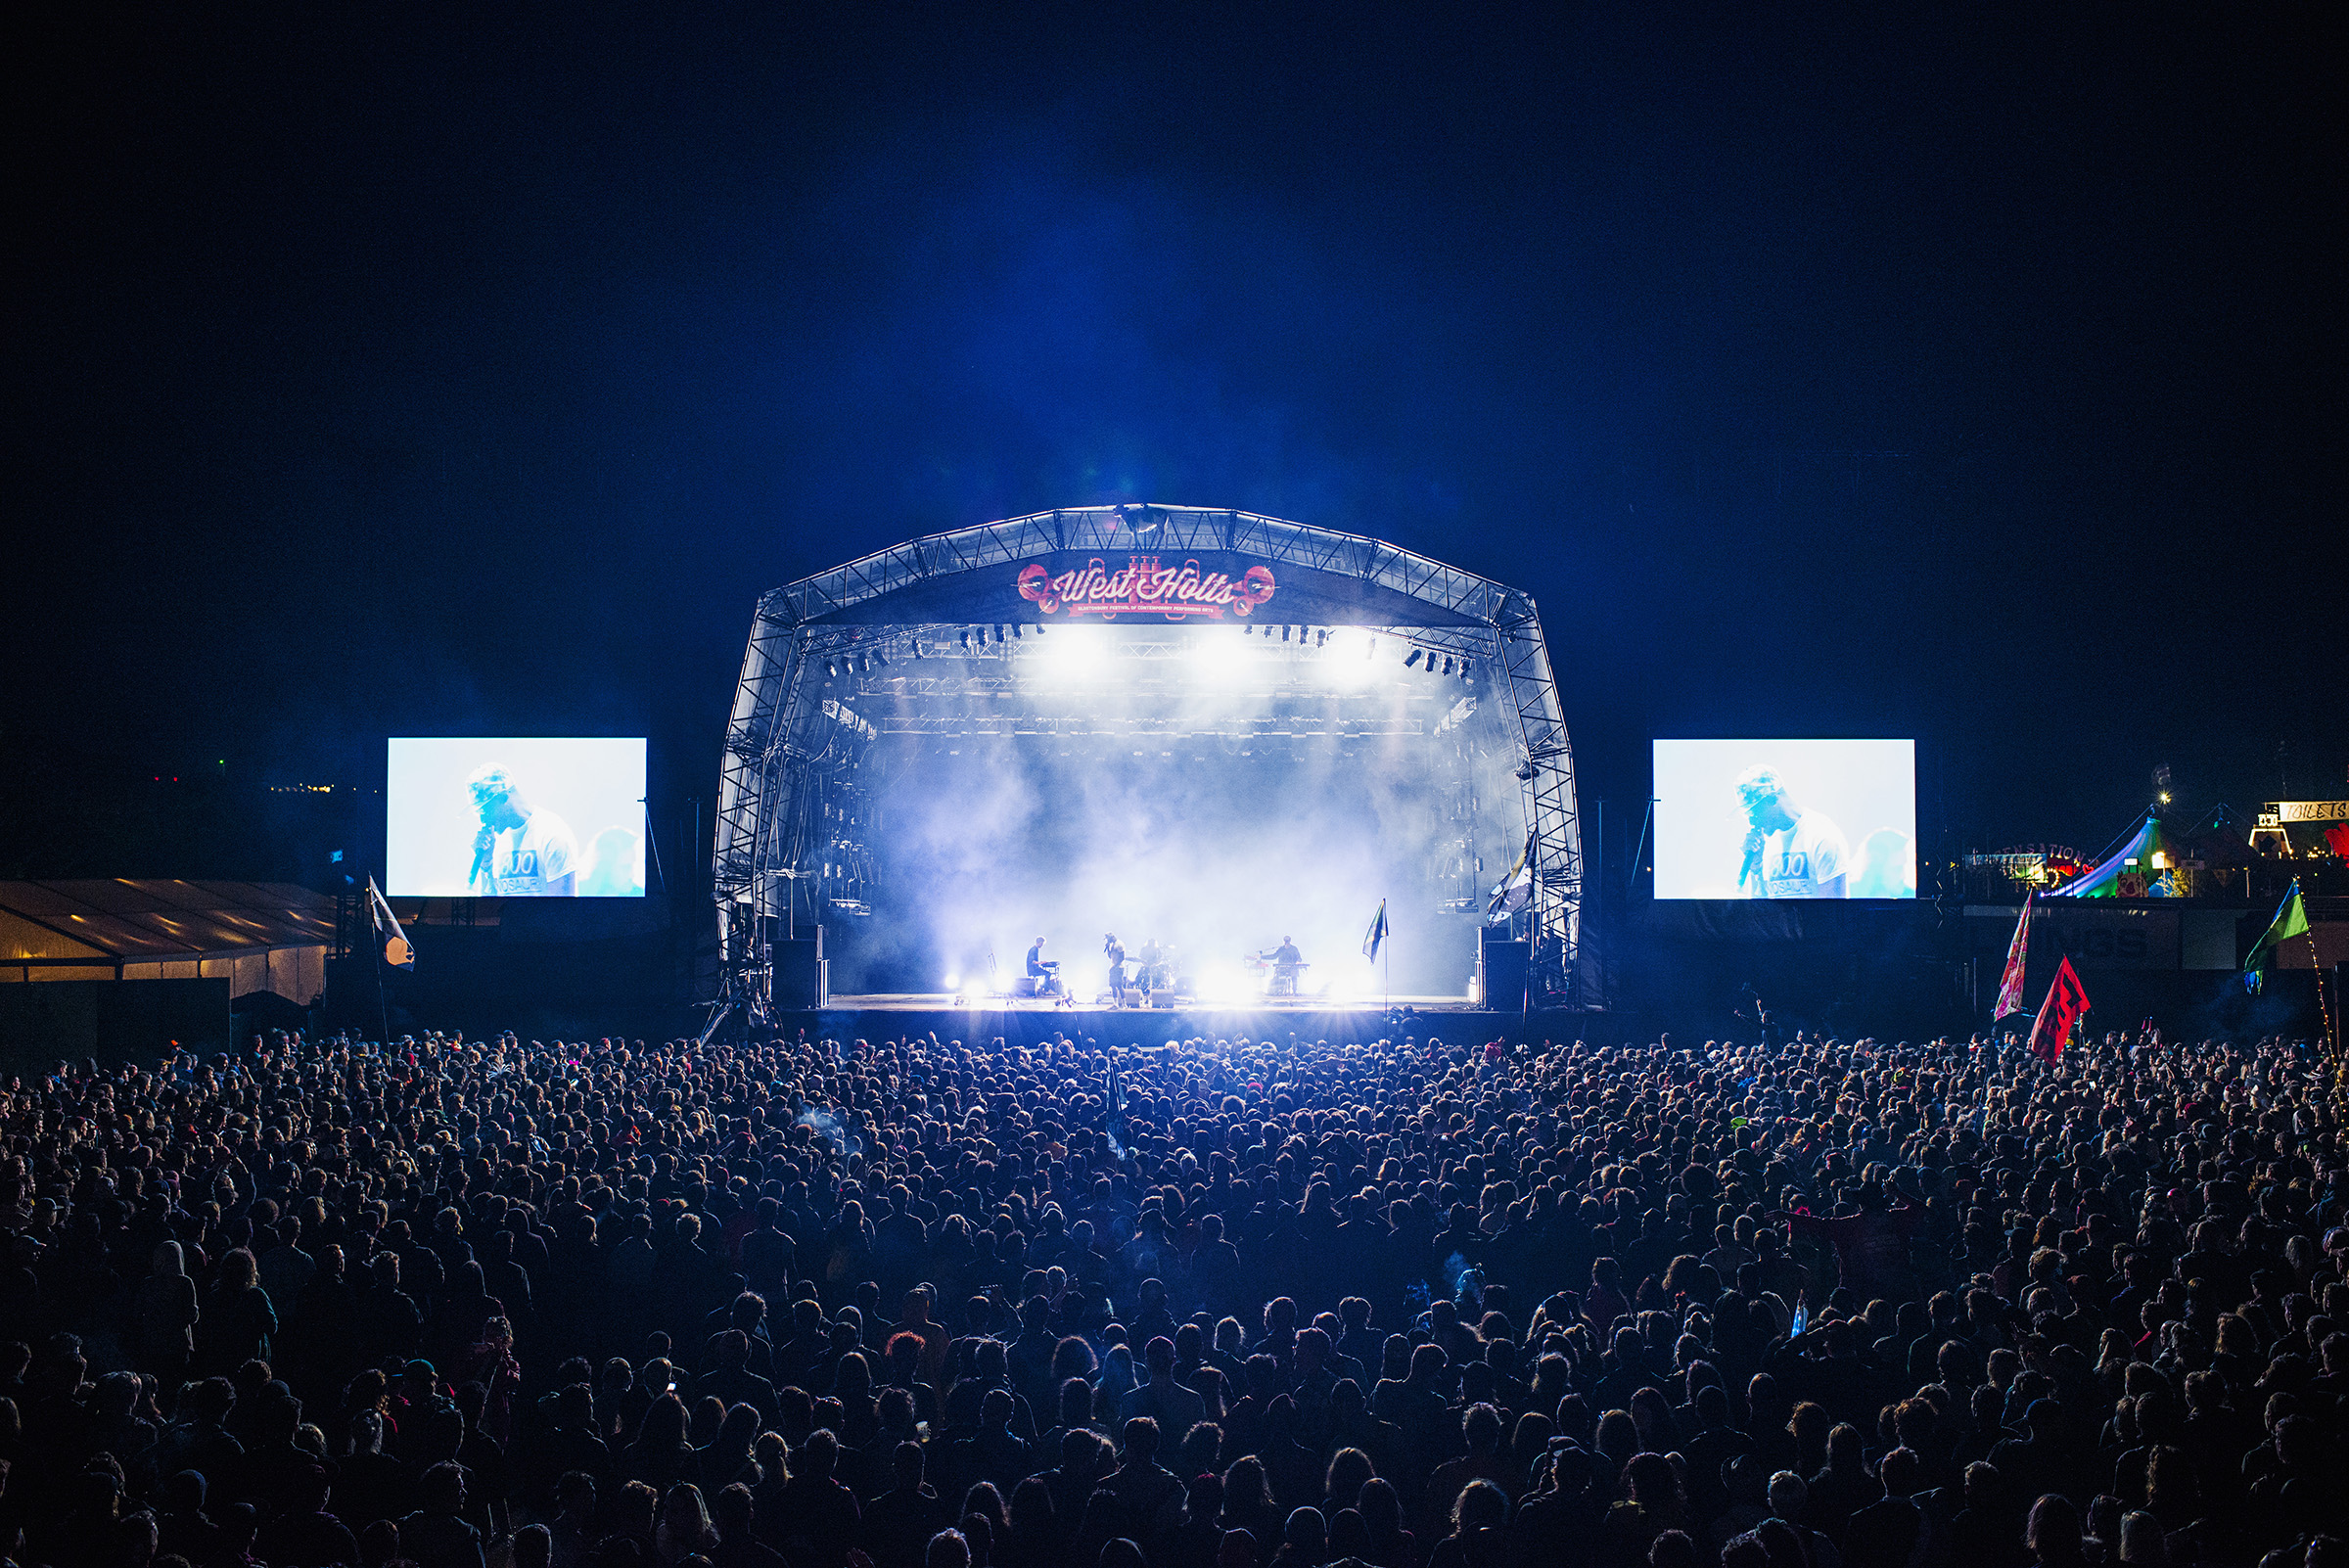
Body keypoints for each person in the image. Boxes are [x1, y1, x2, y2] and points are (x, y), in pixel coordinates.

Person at [1732, 765, 1847, 899]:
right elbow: (1758, 912)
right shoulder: (1765, 843)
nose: (1751, 822)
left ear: (1773, 798)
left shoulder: (1821, 835)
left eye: (1755, 812)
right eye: (1747, 815)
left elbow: (1834, 911)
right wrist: (1756, 868)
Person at [466, 762, 579, 896]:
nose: (483, 820)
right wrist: (486, 864)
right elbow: (488, 907)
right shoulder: (496, 842)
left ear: (503, 797)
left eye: (486, 810)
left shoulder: (551, 833)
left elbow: (564, 908)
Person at [1104, 935, 1129, 1006]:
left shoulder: (1119, 944)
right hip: (1113, 967)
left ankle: (1124, 1004)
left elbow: (1122, 957)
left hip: (1119, 967)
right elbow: (1110, 957)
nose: (1107, 940)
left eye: (1108, 939)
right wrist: (1107, 948)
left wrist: (1115, 966)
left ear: (1112, 937)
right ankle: (1115, 1004)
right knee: (1112, 985)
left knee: (1119, 985)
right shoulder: (1112, 945)